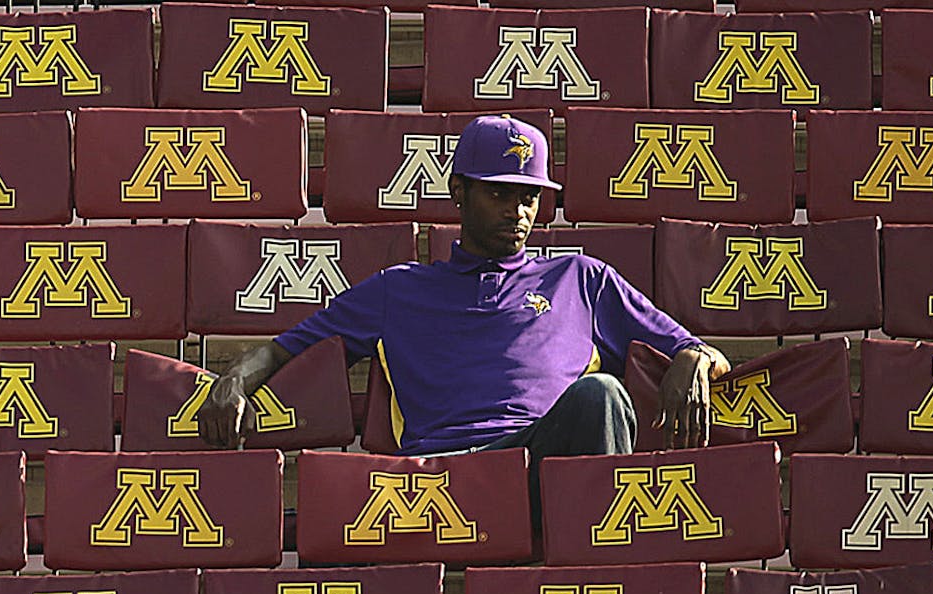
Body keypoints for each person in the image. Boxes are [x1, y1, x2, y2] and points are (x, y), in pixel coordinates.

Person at [196, 115, 731, 469]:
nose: (516, 211)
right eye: (499, 194)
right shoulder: (398, 290)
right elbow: (284, 349)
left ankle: (600, 571)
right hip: (442, 477)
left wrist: (691, 355)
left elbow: (701, 352)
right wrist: (232, 379)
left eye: (529, 197)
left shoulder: (580, 278)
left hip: (540, 465)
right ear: (459, 193)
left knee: (602, 396)